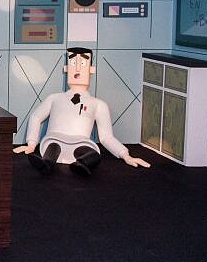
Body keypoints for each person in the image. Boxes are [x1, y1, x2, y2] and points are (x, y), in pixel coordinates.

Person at [13, 47, 150, 176]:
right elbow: (36, 117)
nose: (77, 68)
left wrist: (125, 155)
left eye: (83, 63)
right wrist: (31, 143)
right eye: (73, 63)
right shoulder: (54, 98)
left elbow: (106, 137)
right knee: (53, 148)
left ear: (91, 69)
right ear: (66, 68)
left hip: (82, 144)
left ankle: (81, 164)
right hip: (54, 141)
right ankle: (47, 164)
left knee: (94, 155)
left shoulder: (98, 104)